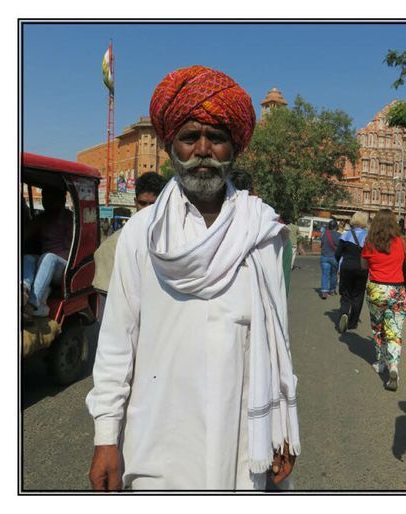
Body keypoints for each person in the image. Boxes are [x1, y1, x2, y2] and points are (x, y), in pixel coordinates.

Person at [88, 66, 297, 491]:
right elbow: (116, 342)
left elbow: (278, 341)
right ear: (170, 147)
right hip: (160, 440)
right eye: (189, 137)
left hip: (243, 440)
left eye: (216, 138)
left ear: (233, 147)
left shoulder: (262, 233)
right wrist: (106, 437)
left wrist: (281, 429)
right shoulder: (141, 235)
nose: (203, 150)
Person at [362, 209, 406, 391]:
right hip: (398, 291)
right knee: (394, 331)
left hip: (376, 289)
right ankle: (394, 367)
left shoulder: (370, 242)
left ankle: (381, 363)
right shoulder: (402, 242)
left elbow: (364, 265)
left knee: (378, 328)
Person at [21, 187, 74, 317]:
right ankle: (24, 290)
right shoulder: (42, 218)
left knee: (49, 257)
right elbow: (25, 234)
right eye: (45, 199)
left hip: (62, 265)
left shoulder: (68, 218)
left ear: (62, 200)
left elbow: (70, 250)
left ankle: (32, 304)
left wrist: (43, 261)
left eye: (51, 199)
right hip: (44, 261)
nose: (47, 202)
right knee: (28, 258)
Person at [336, 212, 370, 330]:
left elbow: (338, 254)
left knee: (346, 293)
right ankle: (352, 322)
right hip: (362, 268)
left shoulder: (345, 235)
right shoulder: (369, 237)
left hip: (347, 266)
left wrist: (340, 263)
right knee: (358, 294)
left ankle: (344, 312)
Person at [317, 221, 339, 299]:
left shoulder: (324, 234)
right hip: (334, 258)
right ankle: (332, 290)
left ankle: (324, 292)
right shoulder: (339, 235)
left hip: (324, 257)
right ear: (336, 227)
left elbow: (321, 244)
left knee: (325, 274)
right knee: (333, 274)